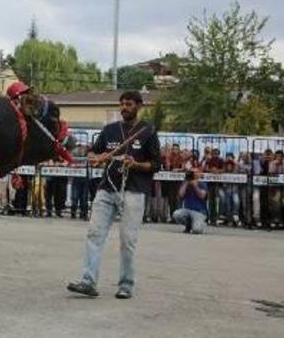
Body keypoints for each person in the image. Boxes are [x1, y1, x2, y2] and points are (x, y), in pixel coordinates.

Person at [67, 90, 160, 300]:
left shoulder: (147, 131)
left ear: (138, 106)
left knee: (127, 240)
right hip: (106, 188)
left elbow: (156, 164)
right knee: (94, 234)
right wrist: (95, 157)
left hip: (134, 190)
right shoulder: (109, 130)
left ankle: (126, 284)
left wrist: (135, 164)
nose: (124, 107)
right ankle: (88, 281)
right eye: (122, 104)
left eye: (129, 104)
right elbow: (94, 151)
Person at [172, 169, 209, 234]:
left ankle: (200, 223)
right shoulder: (186, 184)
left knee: (197, 230)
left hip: (199, 211)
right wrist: (186, 183)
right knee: (176, 214)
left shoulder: (202, 184)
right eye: (192, 173)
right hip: (187, 209)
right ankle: (188, 225)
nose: (193, 174)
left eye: (195, 172)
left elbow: (202, 196)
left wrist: (195, 186)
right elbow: (180, 195)